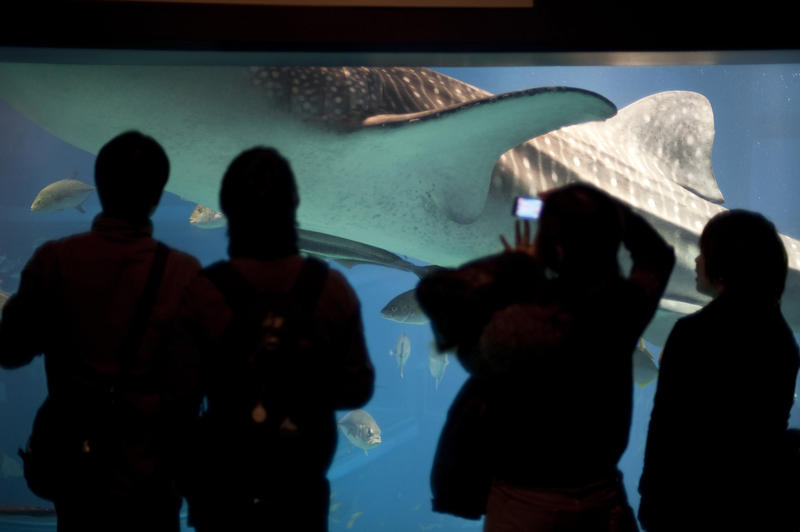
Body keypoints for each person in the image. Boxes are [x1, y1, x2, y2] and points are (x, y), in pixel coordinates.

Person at [417, 183, 675, 532]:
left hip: (522, 509)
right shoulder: (620, 312)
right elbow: (657, 258)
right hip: (604, 505)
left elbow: (436, 292)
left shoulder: (515, 328)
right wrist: (613, 213)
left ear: (550, 249)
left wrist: (516, 265)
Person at [0, 131, 202, 532]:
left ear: (100, 186)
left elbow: (11, 352)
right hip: (155, 470)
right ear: (159, 194)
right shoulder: (185, 273)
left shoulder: (54, 260)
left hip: (76, 466)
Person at [170, 147, 374, 532]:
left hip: (222, 489)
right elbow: (357, 390)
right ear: (294, 205)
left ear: (227, 208)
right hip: (299, 490)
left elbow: (177, 396)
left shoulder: (205, 290)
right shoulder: (330, 288)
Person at [638, 209, 800, 532]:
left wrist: (650, 501)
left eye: (704, 252)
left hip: (690, 507)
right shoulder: (782, 339)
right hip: (754, 507)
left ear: (723, 265)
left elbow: (667, 430)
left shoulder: (693, 332)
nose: (697, 261)